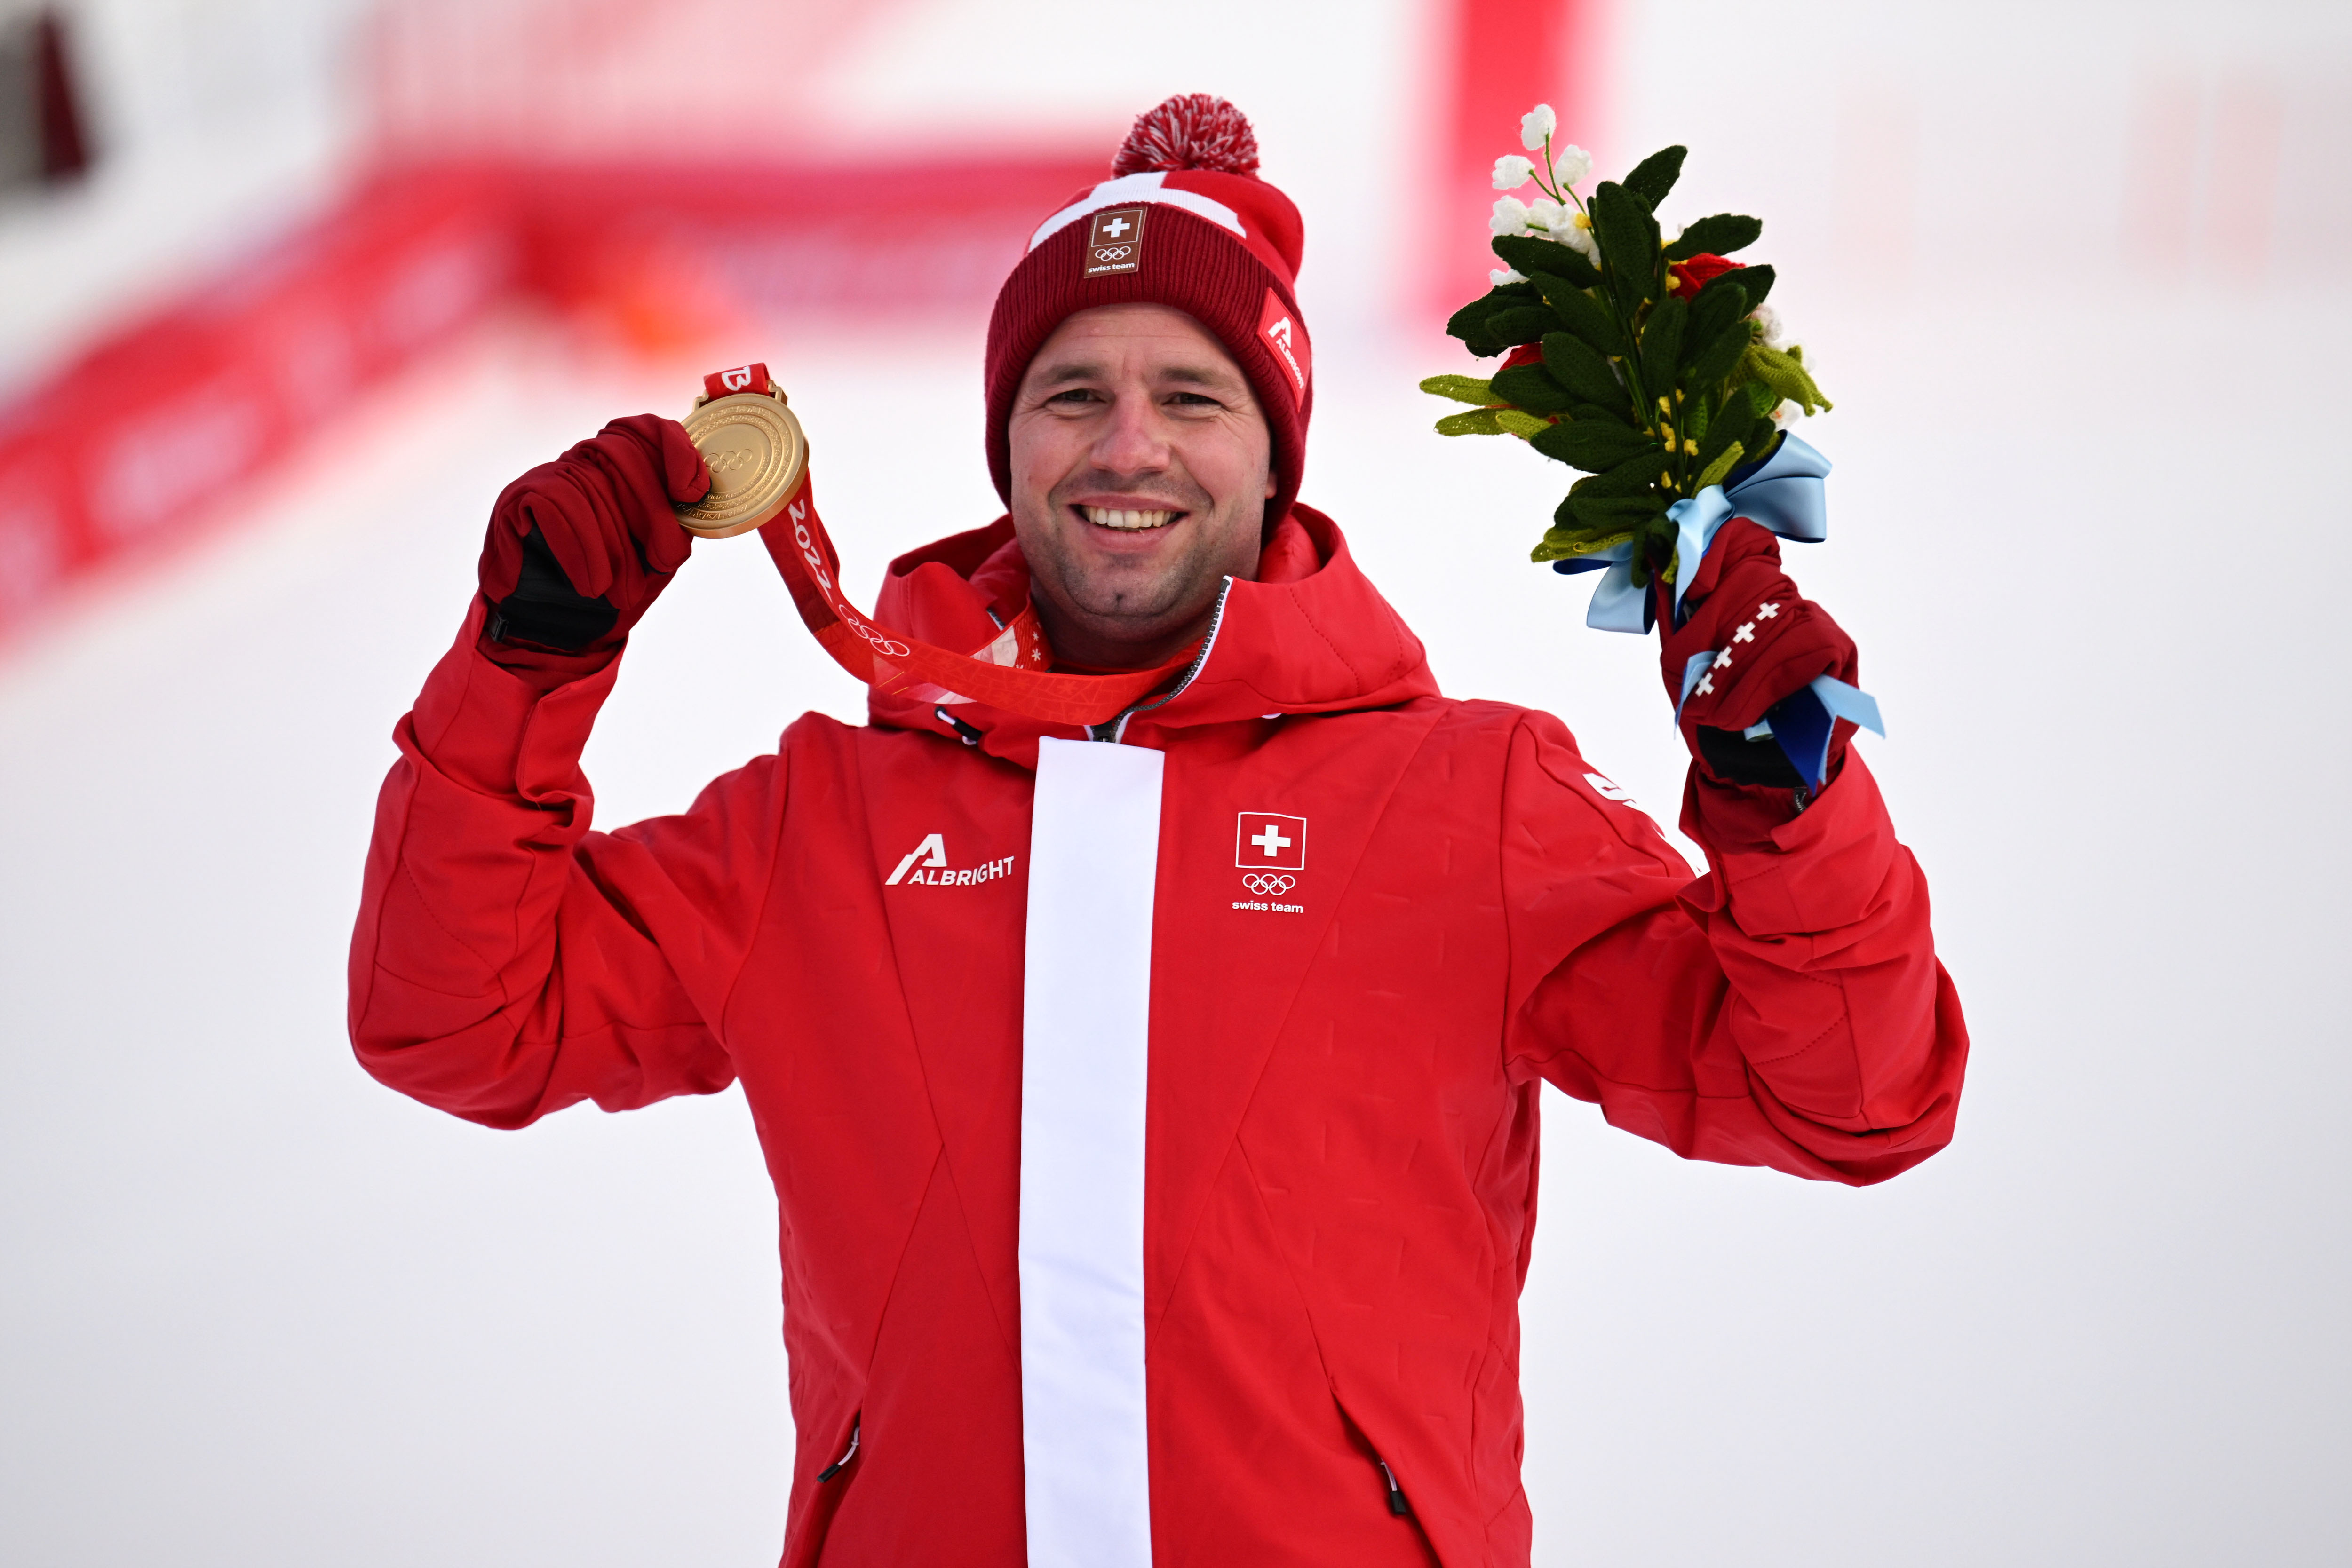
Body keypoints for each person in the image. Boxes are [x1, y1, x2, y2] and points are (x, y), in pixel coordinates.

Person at [350, 95, 1968, 1568]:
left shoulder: (1461, 802)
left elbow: (1849, 1096)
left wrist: (1789, 802)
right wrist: (523, 666)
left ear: (1277, 464)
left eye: (1194, 396)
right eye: (1074, 396)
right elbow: (461, 1020)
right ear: (1009, 452)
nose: (1129, 446)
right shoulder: (825, 828)